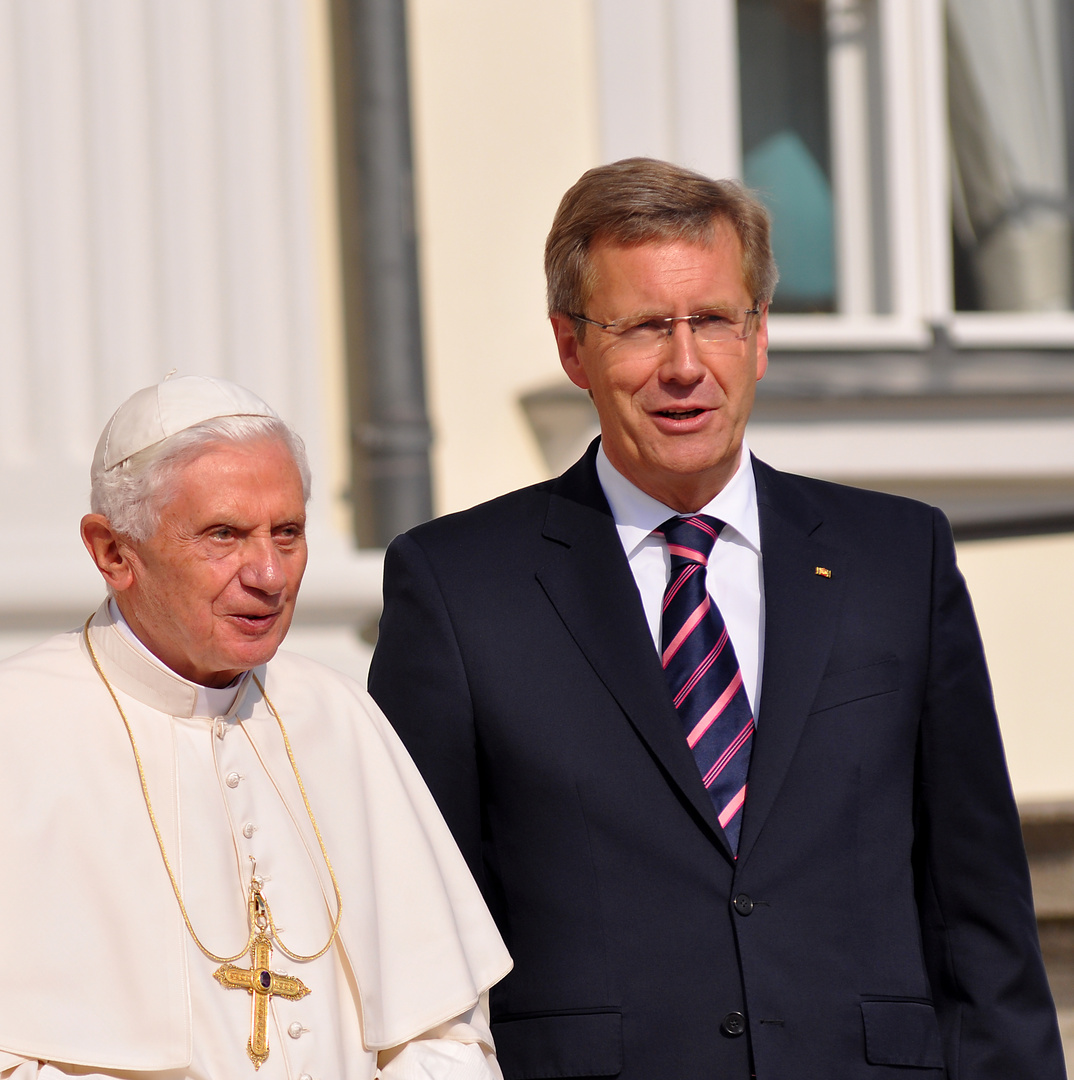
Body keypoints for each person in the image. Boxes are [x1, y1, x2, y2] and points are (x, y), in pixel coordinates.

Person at [368, 158, 1065, 1077]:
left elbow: (979, 909)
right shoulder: (458, 586)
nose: (685, 366)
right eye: (645, 327)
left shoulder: (896, 558)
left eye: (714, 322)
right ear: (573, 348)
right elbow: (419, 934)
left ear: (761, 336)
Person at [0, 374, 511, 1079]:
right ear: (113, 552)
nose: (268, 573)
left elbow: (443, 1031)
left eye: (288, 533)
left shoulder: (341, 720)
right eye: (224, 536)